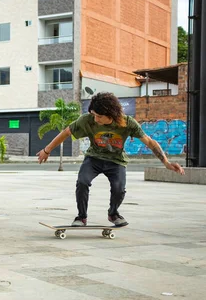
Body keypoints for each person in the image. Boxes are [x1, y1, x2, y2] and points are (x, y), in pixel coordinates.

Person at [37, 92, 185, 227]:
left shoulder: (128, 123)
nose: (96, 119)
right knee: (82, 182)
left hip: (116, 161)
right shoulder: (87, 120)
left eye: (99, 116)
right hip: (93, 158)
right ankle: (81, 217)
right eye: (94, 115)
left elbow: (150, 141)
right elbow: (66, 132)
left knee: (119, 189)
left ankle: (113, 213)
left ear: (111, 114)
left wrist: (166, 162)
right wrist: (47, 150)